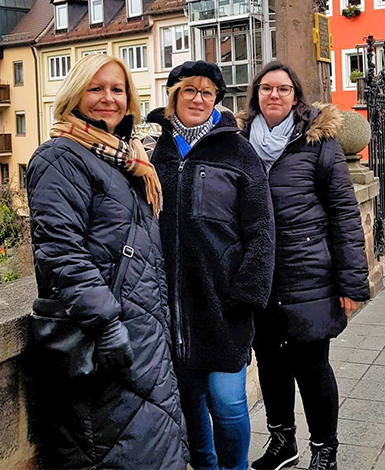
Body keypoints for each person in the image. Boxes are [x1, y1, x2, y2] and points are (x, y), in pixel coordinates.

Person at [26, 54, 186, 469]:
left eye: (117, 90)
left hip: (143, 336)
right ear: (75, 95)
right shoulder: (59, 157)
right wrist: (107, 325)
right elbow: (61, 252)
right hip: (103, 345)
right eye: (95, 89)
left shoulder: (127, 159)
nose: (108, 99)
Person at [240, 62, 370, 470]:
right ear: (256, 95)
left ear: (295, 96)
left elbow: (344, 214)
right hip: (260, 279)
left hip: (307, 274)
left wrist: (352, 282)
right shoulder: (240, 142)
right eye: (266, 88)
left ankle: (324, 451)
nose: (273, 95)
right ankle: (283, 443)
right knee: (271, 366)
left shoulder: (317, 142)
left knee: (312, 368)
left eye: (282, 88)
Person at [146, 60, 275, 470]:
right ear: (173, 97)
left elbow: (262, 228)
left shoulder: (238, 151)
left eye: (207, 92)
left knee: (229, 402)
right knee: (190, 400)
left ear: (217, 100)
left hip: (224, 303)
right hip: (175, 304)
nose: (198, 99)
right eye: (189, 90)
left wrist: (248, 292)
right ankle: (206, 466)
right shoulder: (156, 155)